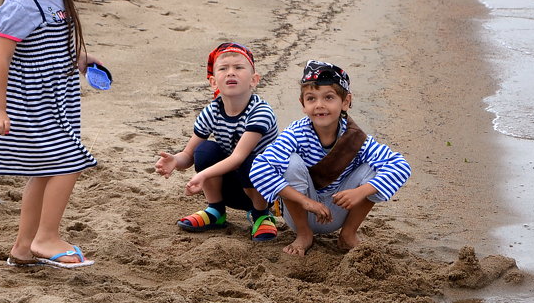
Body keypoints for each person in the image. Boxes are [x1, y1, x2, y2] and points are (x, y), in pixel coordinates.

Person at [0, 0, 100, 269]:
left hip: (53, 100)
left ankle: (22, 249)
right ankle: (46, 237)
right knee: (69, 162)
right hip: (26, 103)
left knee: (44, 171)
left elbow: (49, 46)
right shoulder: (21, 3)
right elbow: (1, 60)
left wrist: (80, 59)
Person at [249, 60, 411, 256]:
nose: (319, 105)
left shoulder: (356, 138)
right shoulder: (295, 134)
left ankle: (348, 235)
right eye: (311, 98)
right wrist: (305, 201)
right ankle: (304, 235)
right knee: (289, 163)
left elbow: (400, 166)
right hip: (302, 211)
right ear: (303, 104)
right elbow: (259, 168)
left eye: (328, 97)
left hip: (339, 210)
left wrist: (360, 192)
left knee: (375, 167)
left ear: (345, 102)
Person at [155, 42, 280, 241]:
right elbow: (189, 155)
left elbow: (239, 158)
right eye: (223, 68)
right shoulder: (212, 111)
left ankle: (261, 215)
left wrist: (202, 175)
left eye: (239, 67)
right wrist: (175, 161)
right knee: (205, 150)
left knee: (252, 160)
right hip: (231, 184)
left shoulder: (260, 111)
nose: (231, 73)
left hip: (263, 189)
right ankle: (216, 211)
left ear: (254, 80)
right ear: (213, 82)